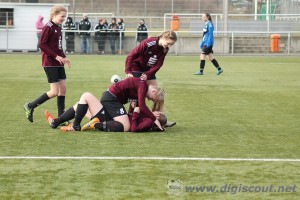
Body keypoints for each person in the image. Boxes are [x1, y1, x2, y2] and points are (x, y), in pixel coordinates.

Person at [46, 77, 165, 132]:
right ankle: (81, 125)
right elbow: (142, 106)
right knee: (125, 126)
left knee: (83, 105)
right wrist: (154, 119)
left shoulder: (142, 86)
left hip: (111, 99)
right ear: (154, 91)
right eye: (154, 99)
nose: (152, 101)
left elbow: (137, 106)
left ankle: (56, 121)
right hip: (111, 99)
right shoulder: (143, 86)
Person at [24, 5, 71, 123]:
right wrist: (56, 56)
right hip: (50, 63)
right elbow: (42, 45)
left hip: (58, 63)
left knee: (63, 89)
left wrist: (64, 58)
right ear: (54, 14)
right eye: (62, 16)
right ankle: (30, 106)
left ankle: (62, 118)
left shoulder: (58, 28)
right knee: (54, 91)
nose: (63, 18)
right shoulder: (48, 27)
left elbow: (58, 47)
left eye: (65, 16)